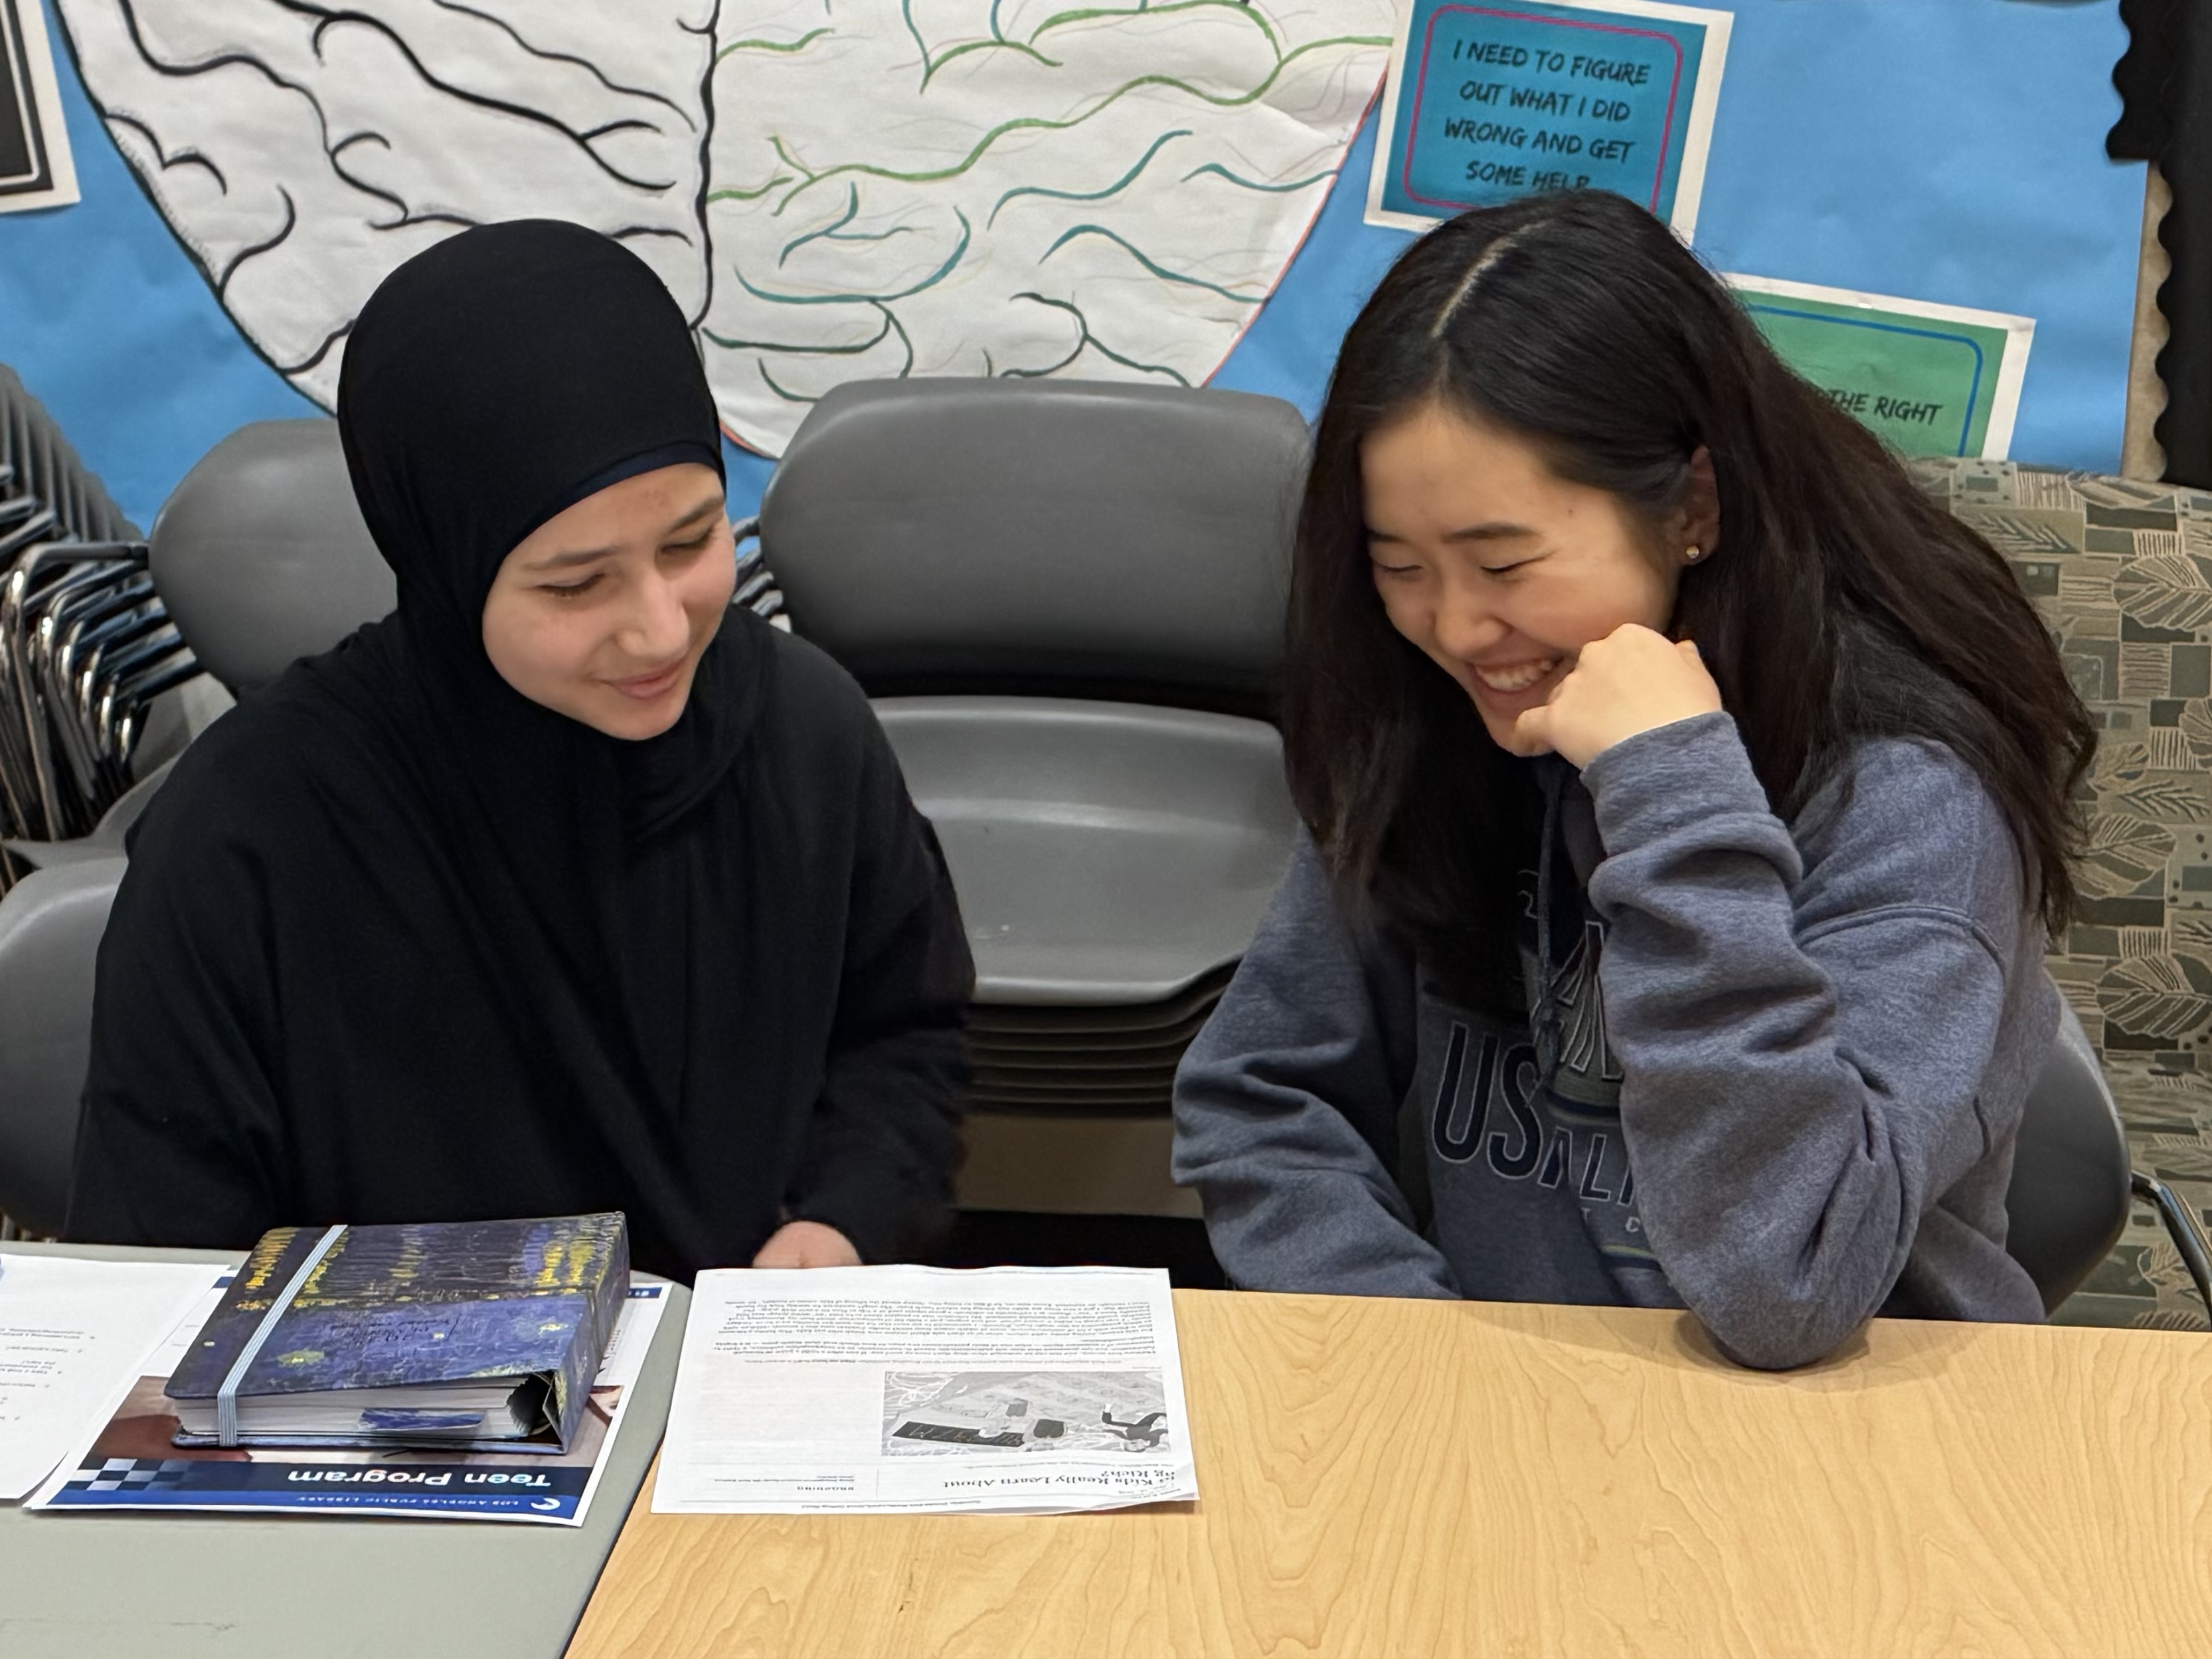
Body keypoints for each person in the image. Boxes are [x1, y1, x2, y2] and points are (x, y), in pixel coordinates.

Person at [1171, 191, 2095, 1369]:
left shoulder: (1908, 791)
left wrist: (1671, 796)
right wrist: (1417, 1350)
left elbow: (1789, 1283)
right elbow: (1262, 1099)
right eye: (1399, 567)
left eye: (1506, 560)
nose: (1455, 627)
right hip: (1520, 1414)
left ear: (1691, 508)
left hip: (1853, 1448)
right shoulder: (1442, 722)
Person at [65, 220, 974, 1282]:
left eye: (691, 541)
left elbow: (906, 1037)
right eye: (575, 583)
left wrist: (843, 1219)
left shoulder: (805, 735)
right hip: (391, 1418)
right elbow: (154, 1264)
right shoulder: (249, 835)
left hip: (736, 1366)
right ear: (445, 560)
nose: (661, 631)